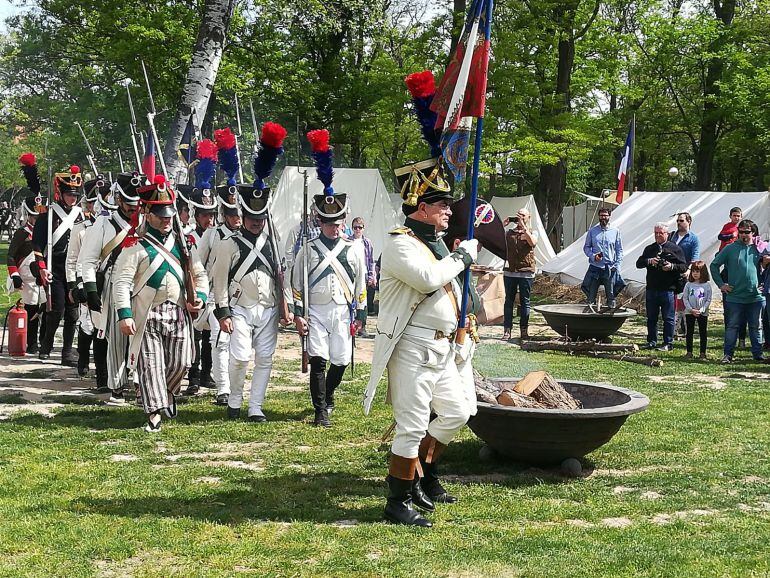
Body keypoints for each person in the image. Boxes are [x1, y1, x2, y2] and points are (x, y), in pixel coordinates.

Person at [363, 70, 481, 528]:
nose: (450, 211)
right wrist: (462, 258)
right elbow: (431, 279)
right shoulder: (400, 245)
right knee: (411, 425)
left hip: (443, 345)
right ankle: (398, 500)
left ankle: (425, 475)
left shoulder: (436, 244)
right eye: (442, 205)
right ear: (420, 208)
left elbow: (445, 286)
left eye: (449, 205)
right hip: (410, 346)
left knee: (459, 410)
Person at [112, 176, 208, 432]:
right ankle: (154, 413)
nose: (166, 220)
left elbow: (199, 275)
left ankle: (164, 392)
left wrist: (200, 298)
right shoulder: (135, 245)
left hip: (178, 312)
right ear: (146, 213)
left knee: (183, 362)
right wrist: (125, 314)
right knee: (151, 363)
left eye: (169, 215)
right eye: (160, 215)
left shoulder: (184, 244)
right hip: (147, 315)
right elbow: (121, 283)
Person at [212, 121, 292, 421]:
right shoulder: (229, 244)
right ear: (242, 215)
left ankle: (255, 406)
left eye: (261, 217)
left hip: (269, 308)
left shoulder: (274, 239)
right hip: (240, 308)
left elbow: (281, 274)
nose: (257, 222)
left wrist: (288, 306)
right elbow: (219, 280)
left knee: (266, 359)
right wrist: (223, 313)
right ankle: (234, 399)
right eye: (251, 217)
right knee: (240, 358)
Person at [292, 129, 367, 428]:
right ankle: (320, 410)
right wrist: (299, 314)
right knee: (318, 359)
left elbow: (360, 284)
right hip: (317, 311)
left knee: (341, 360)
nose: (334, 227)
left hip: (341, 310)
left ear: (344, 220)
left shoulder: (354, 249)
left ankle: (329, 395)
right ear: (320, 222)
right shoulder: (307, 250)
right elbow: (296, 286)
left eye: (338, 222)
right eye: (329, 222)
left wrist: (361, 313)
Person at [79, 172, 144, 400]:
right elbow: (87, 260)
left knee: (142, 337)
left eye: (136, 204)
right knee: (116, 340)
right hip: (113, 283)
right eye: (128, 203)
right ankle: (116, 388)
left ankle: (139, 384)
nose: (132, 208)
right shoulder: (103, 224)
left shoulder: (145, 223)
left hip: (142, 285)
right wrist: (91, 289)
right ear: (119, 200)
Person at [197, 128, 245, 407]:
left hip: (243, 298)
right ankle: (222, 389)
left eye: (238, 213)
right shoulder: (212, 234)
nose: (236, 218)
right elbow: (197, 263)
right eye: (231, 214)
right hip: (218, 298)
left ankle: (234, 387)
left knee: (241, 348)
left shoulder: (249, 236)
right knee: (221, 342)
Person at [31, 164, 84, 365]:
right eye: (69, 194)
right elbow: (37, 244)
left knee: (73, 311)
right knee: (57, 308)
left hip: (74, 267)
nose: (73, 198)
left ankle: (67, 352)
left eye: (75, 194)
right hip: (55, 265)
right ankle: (46, 343)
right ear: (60, 193)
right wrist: (42, 267)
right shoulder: (48, 215)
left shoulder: (81, 215)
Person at [66, 175, 113, 379]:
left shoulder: (113, 226)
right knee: (87, 324)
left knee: (104, 326)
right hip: (86, 279)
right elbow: (73, 260)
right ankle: (83, 357)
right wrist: (75, 285)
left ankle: (103, 371)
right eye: (94, 201)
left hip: (108, 279)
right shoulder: (81, 227)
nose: (97, 205)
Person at [709, 219, 769, 364]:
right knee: (732, 327)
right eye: (741, 232)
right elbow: (714, 265)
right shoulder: (730, 248)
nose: (743, 235)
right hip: (735, 297)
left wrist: (764, 281)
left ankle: (758, 354)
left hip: (756, 297)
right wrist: (721, 285)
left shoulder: (760, 248)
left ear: (752, 232)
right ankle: (728, 354)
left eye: (746, 232)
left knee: (756, 326)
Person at [7, 154, 47, 353]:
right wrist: (14, 276)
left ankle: (41, 343)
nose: (36, 219)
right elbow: (11, 256)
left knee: (44, 310)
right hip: (26, 280)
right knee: (30, 311)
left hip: (41, 278)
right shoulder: (22, 233)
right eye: (33, 215)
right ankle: (30, 343)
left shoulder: (44, 233)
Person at [635, 222, 687, 351]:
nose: (658, 235)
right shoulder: (650, 249)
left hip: (668, 289)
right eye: (656, 233)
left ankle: (668, 343)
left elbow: (683, 267)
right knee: (651, 317)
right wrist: (649, 261)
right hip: (652, 288)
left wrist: (671, 266)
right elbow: (639, 263)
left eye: (661, 233)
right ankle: (652, 341)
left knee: (668, 318)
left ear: (667, 234)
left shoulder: (675, 249)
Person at [501, 208, 537, 341]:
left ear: (528, 217)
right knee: (508, 301)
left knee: (525, 302)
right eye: (518, 215)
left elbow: (532, 242)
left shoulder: (533, 232)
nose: (520, 217)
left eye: (523, 215)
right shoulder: (509, 233)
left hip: (526, 272)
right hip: (510, 271)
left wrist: (524, 227)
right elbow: (497, 241)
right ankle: (507, 331)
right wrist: (501, 226)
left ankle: (524, 331)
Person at [581, 207, 624, 309]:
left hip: (609, 268)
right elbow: (586, 247)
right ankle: (590, 315)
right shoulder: (592, 231)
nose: (603, 218)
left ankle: (610, 318)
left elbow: (619, 250)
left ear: (609, 216)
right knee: (591, 296)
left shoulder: (615, 231)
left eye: (605, 215)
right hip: (595, 267)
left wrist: (617, 266)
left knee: (611, 296)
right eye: (601, 216)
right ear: (599, 217)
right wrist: (592, 256)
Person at [669, 212, 701, 337]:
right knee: (673, 303)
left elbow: (695, 256)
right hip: (671, 273)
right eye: (678, 220)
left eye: (681, 220)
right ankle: (673, 330)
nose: (678, 223)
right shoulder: (672, 236)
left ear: (689, 222)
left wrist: (688, 270)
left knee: (685, 303)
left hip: (684, 275)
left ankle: (688, 331)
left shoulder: (693, 238)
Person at [350, 216, 376, 338]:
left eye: (360, 227)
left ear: (363, 228)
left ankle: (362, 326)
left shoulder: (367, 243)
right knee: (351, 300)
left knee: (363, 301)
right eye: (355, 227)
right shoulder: (348, 241)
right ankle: (352, 324)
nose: (357, 230)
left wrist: (372, 276)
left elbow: (371, 261)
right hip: (351, 275)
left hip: (364, 275)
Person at [682, 261, 712, 360]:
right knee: (689, 332)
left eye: (697, 271)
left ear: (703, 272)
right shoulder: (688, 284)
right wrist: (691, 309)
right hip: (690, 312)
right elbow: (685, 298)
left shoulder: (707, 285)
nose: (695, 273)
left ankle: (702, 353)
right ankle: (689, 352)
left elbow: (708, 299)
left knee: (703, 332)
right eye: (693, 271)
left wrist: (702, 309)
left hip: (702, 313)